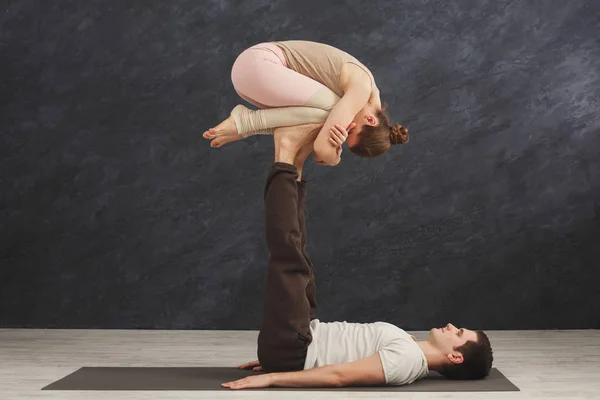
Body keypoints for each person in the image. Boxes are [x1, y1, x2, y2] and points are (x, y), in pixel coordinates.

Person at [221, 125, 494, 390]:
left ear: (455, 357)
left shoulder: (407, 362)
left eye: (458, 333)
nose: (451, 325)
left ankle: (285, 150)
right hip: (297, 341)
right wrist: (277, 361)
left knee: (288, 254)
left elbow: (339, 376)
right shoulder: (410, 347)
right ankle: (296, 162)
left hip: (295, 346)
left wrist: (274, 377)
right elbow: (345, 352)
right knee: (296, 248)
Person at [202, 40, 409, 163]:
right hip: (258, 65)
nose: (344, 132)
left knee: (317, 124)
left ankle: (249, 126)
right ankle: (246, 122)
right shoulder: (361, 89)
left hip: (253, 80)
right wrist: (334, 157)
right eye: (351, 132)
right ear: (371, 120)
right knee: (329, 113)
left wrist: (328, 145)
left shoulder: (368, 97)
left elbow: (316, 137)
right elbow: (322, 150)